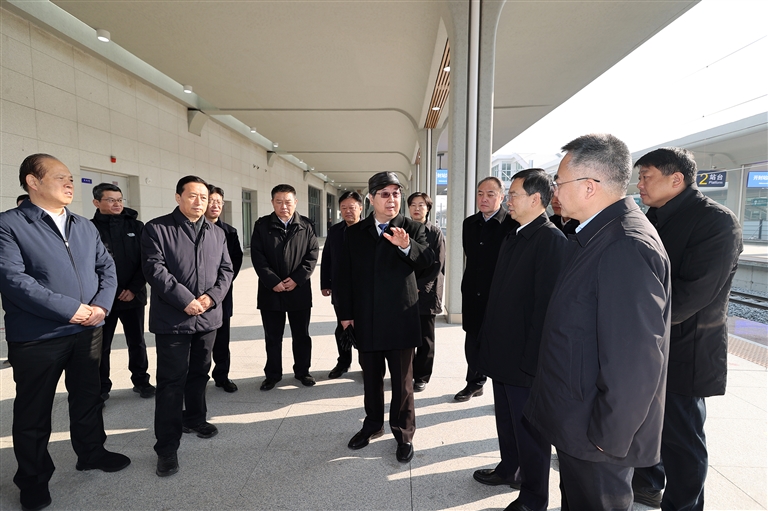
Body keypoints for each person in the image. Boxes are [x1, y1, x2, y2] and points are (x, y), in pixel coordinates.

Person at [524, 134, 671, 511]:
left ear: (589, 186)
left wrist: (609, 437)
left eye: (559, 182)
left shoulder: (625, 244)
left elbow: (636, 361)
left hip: (597, 437)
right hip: (578, 419)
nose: (555, 192)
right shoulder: (596, 234)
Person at [0, 154, 129, 511]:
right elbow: (13, 280)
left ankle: (91, 452)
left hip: (88, 329)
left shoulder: (83, 225)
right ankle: (33, 479)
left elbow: (106, 267)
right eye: (60, 177)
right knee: (33, 411)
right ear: (33, 181)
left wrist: (101, 307)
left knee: (88, 397)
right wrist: (69, 309)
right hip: (38, 337)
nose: (70, 183)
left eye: (71, 178)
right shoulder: (9, 225)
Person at [632, 148, 743, 510]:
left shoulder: (716, 222)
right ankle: (648, 484)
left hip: (686, 347)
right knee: (648, 425)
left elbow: (693, 293)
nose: (639, 184)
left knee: (682, 439)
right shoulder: (654, 216)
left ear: (676, 179)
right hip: (650, 341)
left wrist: (636, 323)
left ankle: (684, 505)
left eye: (646, 176)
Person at [474, 169, 567, 511]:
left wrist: (532, 362)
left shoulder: (551, 241)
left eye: (513, 195)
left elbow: (546, 310)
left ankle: (533, 497)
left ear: (536, 199)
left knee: (530, 431)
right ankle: (509, 468)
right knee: (507, 420)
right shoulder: (515, 234)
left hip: (525, 360)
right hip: (503, 351)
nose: (508, 201)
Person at [336, 172, 433, 463]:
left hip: (400, 317)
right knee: (371, 378)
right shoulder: (355, 232)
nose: (392, 199)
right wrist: (346, 315)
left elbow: (429, 264)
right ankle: (372, 424)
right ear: (371, 198)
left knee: (403, 382)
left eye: (395, 193)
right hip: (366, 317)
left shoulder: (413, 228)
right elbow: (343, 276)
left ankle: (403, 434)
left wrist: (406, 246)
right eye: (385, 194)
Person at [141, 175, 233, 477]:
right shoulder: (157, 228)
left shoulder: (216, 232)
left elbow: (226, 270)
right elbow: (154, 269)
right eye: (193, 196)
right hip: (174, 320)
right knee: (171, 383)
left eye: (204, 197)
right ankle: (167, 447)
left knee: (199, 373)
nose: (199, 202)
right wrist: (185, 300)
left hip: (207, 318)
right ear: (178, 197)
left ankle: (195, 418)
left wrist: (211, 298)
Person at [251, 184, 319, 390]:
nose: (284, 206)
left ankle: (303, 371)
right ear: (272, 202)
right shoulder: (262, 225)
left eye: (288, 202)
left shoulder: (306, 225)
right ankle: (272, 374)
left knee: (301, 335)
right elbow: (257, 256)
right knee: (273, 337)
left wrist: (297, 279)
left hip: (298, 290)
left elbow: (312, 255)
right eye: (279, 202)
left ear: (295, 202)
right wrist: (273, 281)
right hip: (271, 291)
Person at [90, 183, 154, 401]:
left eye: (119, 200)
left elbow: (147, 260)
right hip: (103, 299)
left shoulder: (137, 226)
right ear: (96, 202)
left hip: (133, 296)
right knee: (102, 345)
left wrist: (134, 288)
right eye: (110, 200)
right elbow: (89, 265)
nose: (117, 204)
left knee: (137, 341)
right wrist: (109, 292)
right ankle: (101, 387)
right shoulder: (89, 228)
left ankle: (141, 381)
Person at [455, 177, 517, 401]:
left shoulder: (512, 224)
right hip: (473, 291)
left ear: (501, 197)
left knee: (500, 343)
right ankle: (474, 383)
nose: (484, 199)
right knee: (473, 341)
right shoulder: (469, 224)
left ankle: (504, 390)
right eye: (480, 194)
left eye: (490, 194)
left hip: (499, 294)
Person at [320, 190, 364, 379]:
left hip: (363, 290)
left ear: (360, 208)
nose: (347, 211)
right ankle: (343, 362)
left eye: (351, 207)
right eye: (343, 208)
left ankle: (367, 365)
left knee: (364, 328)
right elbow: (327, 258)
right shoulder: (335, 231)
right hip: (340, 288)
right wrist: (325, 283)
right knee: (342, 326)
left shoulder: (368, 230)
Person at [205, 185, 244, 393]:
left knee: (222, 338)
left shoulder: (229, 232)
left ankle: (222, 375)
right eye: (211, 201)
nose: (215, 206)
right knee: (199, 342)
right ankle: (197, 378)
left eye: (219, 202)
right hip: (195, 296)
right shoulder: (189, 230)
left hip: (221, 294)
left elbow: (234, 263)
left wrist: (219, 287)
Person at [407, 191, 445, 392]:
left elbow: (437, 264)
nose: (416, 208)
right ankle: (406, 374)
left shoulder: (435, 232)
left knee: (425, 338)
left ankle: (421, 376)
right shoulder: (402, 229)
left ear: (428, 208)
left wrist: (419, 285)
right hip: (404, 291)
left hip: (426, 292)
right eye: (413, 204)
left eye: (421, 205)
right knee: (405, 337)